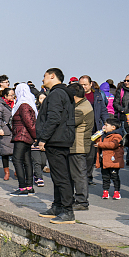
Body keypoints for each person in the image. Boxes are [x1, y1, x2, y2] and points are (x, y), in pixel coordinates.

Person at [36, 68, 77, 224]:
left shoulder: (56, 94)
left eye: (44, 76)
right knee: (58, 175)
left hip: (56, 139)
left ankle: (67, 211)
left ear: (52, 76)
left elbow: (53, 118)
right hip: (61, 138)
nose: (42, 79)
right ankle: (58, 206)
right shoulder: (63, 93)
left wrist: (43, 138)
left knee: (61, 176)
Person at [68, 82, 94, 211]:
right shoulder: (81, 104)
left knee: (79, 174)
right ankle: (78, 199)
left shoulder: (80, 108)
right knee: (77, 174)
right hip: (77, 144)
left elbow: (69, 122)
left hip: (78, 145)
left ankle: (82, 201)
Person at [10, 83, 37, 196]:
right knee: (27, 161)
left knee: (17, 160)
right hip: (26, 136)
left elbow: (29, 122)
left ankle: (22, 187)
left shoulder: (23, 105)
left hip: (21, 135)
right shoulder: (29, 103)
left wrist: (36, 136)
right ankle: (29, 186)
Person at [95, 117, 124, 199]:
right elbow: (97, 143)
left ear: (113, 127)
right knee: (105, 177)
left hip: (113, 160)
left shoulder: (117, 136)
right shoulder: (103, 135)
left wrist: (100, 144)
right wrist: (97, 136)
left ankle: (116, 191)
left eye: (106, 125)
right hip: (104, 160)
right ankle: (105, 191)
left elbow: (113, 145)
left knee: (115, 177)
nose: (104, 127)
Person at [0, 87, 15, 182]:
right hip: (5, 131)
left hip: (15, 130)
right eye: (11, 95)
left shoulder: (16, 103)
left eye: (13, 95)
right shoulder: (1, 105)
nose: (13, 97)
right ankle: (7, 172)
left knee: (16, 153)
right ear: (5, 96)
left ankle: (17, 171)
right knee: (5, 153)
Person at [31, 92, 48, 187]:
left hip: (44, 138)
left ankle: (37, 173)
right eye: (41, 98)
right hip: (34, 138)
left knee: (42, 161)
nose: (43, 100)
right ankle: (39, 177)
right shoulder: (34, 109)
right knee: (36, 160)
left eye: (44, 98)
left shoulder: (49, 110)